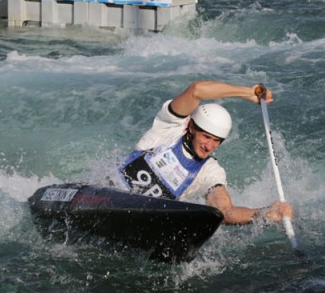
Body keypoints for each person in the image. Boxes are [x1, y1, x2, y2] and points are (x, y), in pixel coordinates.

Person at [115, 80, 293, 225]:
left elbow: (225, 211)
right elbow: (197, 90)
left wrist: (262, 214)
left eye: (217, 141)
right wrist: (247, 92)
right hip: (110, 194)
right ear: (191, 127)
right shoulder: (169, 127)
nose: (210, 146)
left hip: (144, 220)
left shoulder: (211, 171)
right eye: (206, 137)